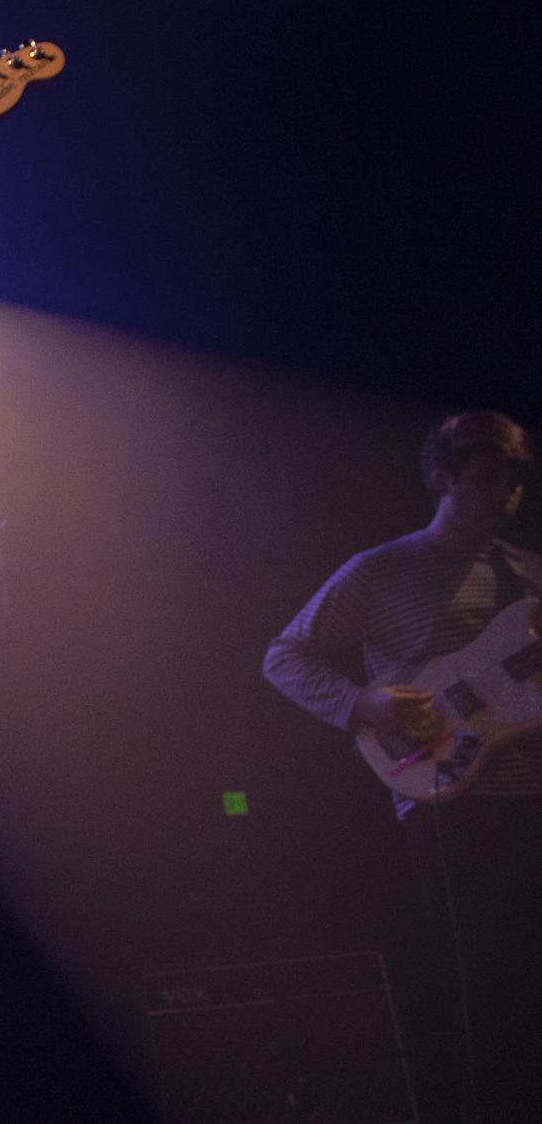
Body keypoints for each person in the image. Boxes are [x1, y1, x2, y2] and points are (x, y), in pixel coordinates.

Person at [264, 410, 542, 1123]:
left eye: (514, 481)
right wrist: (362, 703)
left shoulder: (528, 576)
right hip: (447, 797)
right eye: (485, 480)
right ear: (438, 480)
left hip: (531, 788)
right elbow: (283, 655)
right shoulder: (379, 569)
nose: (504, 496)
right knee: (483, 989)